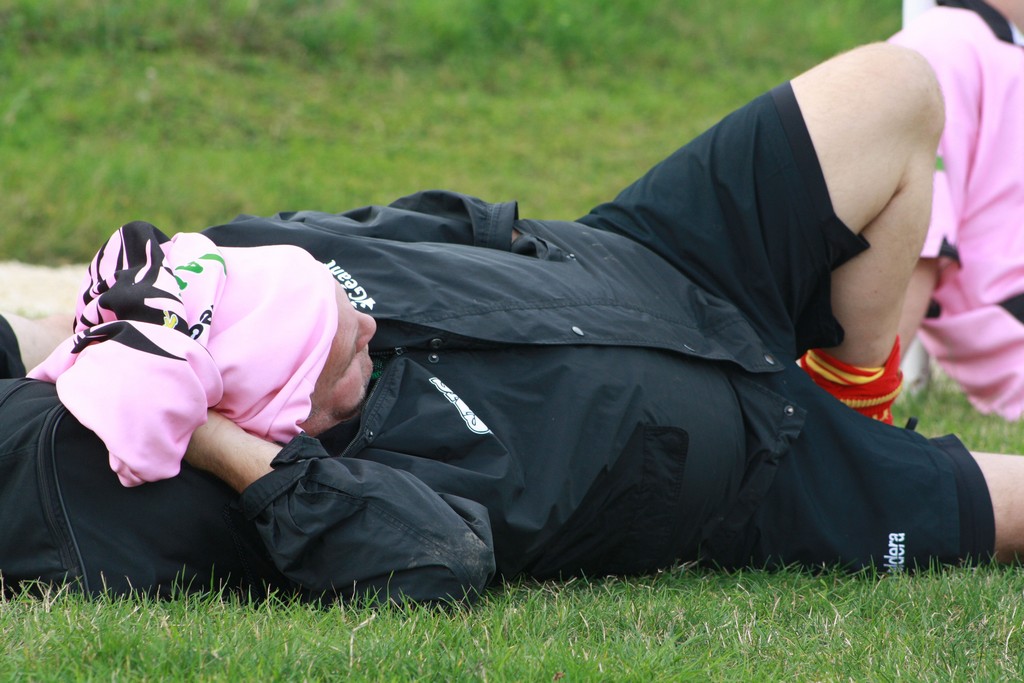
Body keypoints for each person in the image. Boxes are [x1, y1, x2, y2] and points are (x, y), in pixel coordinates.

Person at [1, 41, 1018, 605]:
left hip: (653, 256)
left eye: (347, 301)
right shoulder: (336, 486)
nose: (365, 322)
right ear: (285, 416)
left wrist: (123, 336)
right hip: (762, 472)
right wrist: (218, 438)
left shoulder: (266, 273)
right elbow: (432, 563)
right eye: (344, 348)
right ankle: (866, 453)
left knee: (894, 89)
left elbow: (435, 222)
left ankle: (858, 395)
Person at [890, 0, 1024, 418]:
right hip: (1007, 318)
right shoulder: (943, 43)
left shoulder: (993, 46)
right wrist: (856, 399)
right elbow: (915, 240)